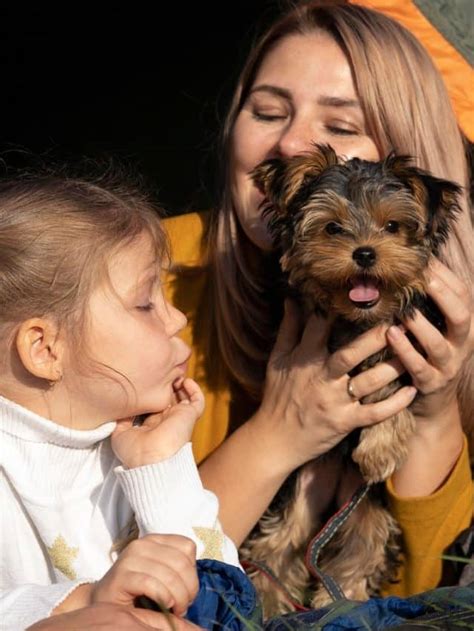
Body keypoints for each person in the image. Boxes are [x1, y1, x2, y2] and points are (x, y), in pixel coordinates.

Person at [163, 0, 473, 605]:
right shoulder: (144, 279)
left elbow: (423, 600)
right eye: (268, 111)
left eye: (340, 126)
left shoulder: (452, 314)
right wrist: (280, 434)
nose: (294, 142)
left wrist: (433, 421)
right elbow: (104, 572)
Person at [0, 170, 241, 630]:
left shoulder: (136, 445)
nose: (176, 319)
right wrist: (83, 602)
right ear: (46, 349)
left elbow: (228, 604)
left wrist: (160, 467)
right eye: (145, 304)